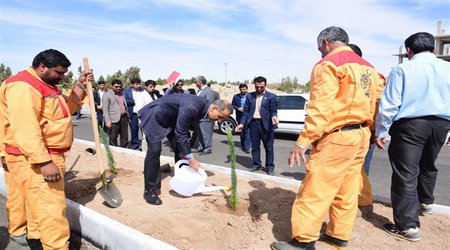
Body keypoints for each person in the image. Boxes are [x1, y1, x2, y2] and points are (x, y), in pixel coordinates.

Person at [271, 27, 384, 250]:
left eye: (319, 49)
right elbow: (378, 104)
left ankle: (303, 241)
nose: (320, 53)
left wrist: (302, 142)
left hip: (337, 137)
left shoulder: (328, 65)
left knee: (315, 189)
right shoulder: (370, 69)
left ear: (325, 42)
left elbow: (321, 108)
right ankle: (338, 234)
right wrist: (372, 133)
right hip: (360, 135)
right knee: (347, 189)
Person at [0, 49, 93, 249]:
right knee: (51, 209)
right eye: (59, 73)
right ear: (42, 66)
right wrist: (44, 162)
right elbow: (25, 127)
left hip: (41, 154)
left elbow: (65, 109)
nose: (62, 77)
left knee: (38, 205)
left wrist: (80, 84)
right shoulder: (24, 86)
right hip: (36, 156)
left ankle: (36, 239)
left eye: (64, 73)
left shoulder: (45, 85)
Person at [375, 32, 450, 242]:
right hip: (441, 124)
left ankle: (408, 227)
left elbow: (389, 104)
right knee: (428, 164)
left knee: (406, 174)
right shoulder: (448, 68)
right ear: (434, 49)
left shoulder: (403, 69)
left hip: (410, 125)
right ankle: (425, 202)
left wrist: (381, 131)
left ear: (409, 50)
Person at [138, 94, 232, 205]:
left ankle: (183, 179)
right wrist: (190, 158)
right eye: (220, 117)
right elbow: (181, 133)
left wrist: (187, 151)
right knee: (155, 150)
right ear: (214, 108)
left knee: (180, 149)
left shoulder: (204, 107)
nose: (220, 121)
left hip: (171, 120)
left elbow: (189, 128)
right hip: (155, 117)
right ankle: (149, 190)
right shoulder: (193, 107)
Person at [348, 43, 386, 211]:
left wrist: (374, 131)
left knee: (359, 165)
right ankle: (358, 197)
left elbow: (378, 104)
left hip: (361, 129)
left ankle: (359, 198)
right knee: (359, 165)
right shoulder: (373, 74)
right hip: (364, 129)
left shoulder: (371, 76)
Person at [0, 89, 28, 247]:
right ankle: (17, 230)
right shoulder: (5, 99)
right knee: (16, 194)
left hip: (28, 152)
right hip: (12, 153)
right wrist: (3, 154)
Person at [235, 76, 279, 176]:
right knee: (255, 147)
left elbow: (273, 110)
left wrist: (274, 116)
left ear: (265, 85)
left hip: (266, 125)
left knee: (269, 147)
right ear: (254, 86)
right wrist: (241, 123)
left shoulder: (272, 96)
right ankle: (256, 164)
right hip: (253, 124)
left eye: (261, 87)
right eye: (257, 87)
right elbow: (246, 112)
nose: (259, 89)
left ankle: (269, 167)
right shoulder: (250, 96)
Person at [102, 79, 129, 148]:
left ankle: (123, 150)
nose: (118, 88)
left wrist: (127, 117)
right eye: (116, 86)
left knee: (125, 136)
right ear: (111, 86)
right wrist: (107, 121)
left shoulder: (122, 94)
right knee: (113, 137)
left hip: (124, 118)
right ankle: (114, 152)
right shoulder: (107, 95)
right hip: (113, 119)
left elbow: (124, 105)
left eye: (120, 86)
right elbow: (105, 109)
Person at [193, 75, 216, 155]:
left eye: (196, 82)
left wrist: (205, 115)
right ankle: (201, 147)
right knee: (200, 133)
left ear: (200, 82)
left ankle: (207, 148)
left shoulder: (209, 91)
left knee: (205, 133)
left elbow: (209, 105)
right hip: (198, 116)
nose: (195, 83)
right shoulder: (199, 90)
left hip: (205, 116)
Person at [124, 77, 145, 150]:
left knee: (144, 131)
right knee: (134, 131)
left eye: (139, 84)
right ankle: (135, 145)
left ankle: (145, 145)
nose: (138, 85)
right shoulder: (127, 91)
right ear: (132, 84)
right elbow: (125, 101)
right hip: (133, 115)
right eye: (136, 84)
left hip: (142, 114)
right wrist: (134, 101)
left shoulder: (143, 91)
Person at [232, 83, 251, 153]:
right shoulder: (236, 96)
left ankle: (247, 147)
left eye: (244, 89)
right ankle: (243, 145)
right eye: (241, 89)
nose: (242, 91)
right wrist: (238, 108)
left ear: (246, 89)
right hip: (240, 115)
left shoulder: (251, 96)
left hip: (248, 116)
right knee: (242, 131)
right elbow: (233, 104)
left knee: (247, 131)